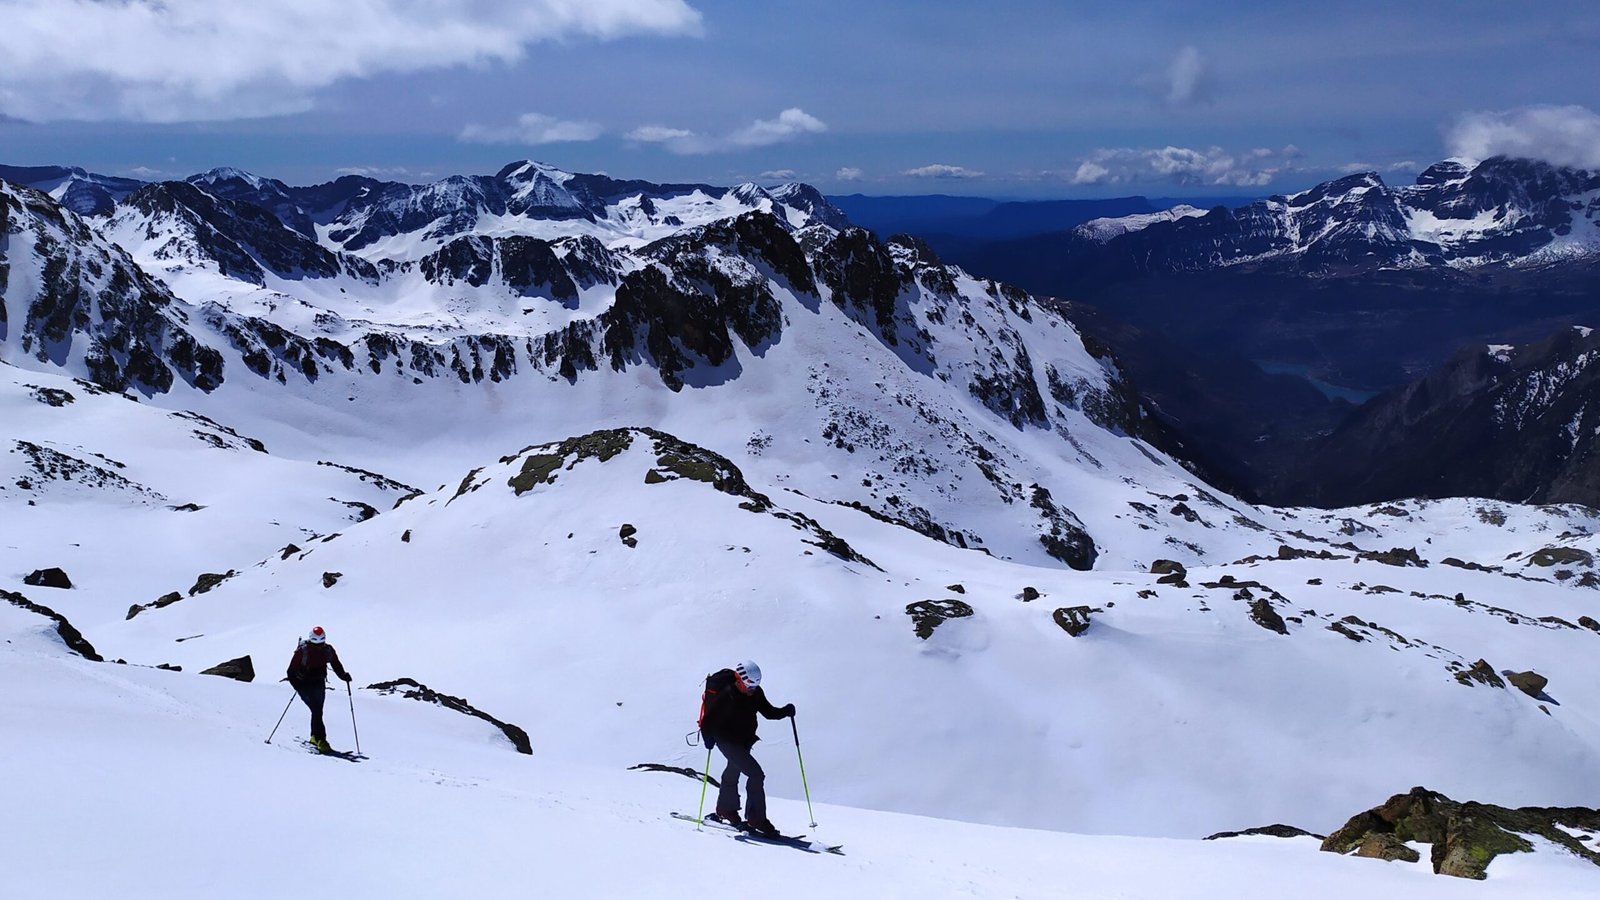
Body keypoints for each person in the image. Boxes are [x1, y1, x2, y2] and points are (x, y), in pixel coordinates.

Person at [699, 660, 794, 837]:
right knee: (756, 774)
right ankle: (756, 818)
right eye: (749, 685)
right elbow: (709, 720)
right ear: (739, 679)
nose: (752, 689)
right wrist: (707, 738)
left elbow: (769, 712)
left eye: (755, 685)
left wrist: (785, 711)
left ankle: (725, 810)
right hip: (726, 740)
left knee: (732, 772)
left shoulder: (756, 693)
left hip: (744, 741)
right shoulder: (728, 695)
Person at [286, 625, 352, 752]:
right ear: (311, 641)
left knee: (318, 710)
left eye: (321, 643)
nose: (319, 646)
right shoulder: (303, 651)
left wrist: (343, 676)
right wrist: (297, 686)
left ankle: (314, 737)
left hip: (318, 682)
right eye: (316, 644)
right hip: (303, 684)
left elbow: (336, 664)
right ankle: (322, 740)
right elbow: (290, 671)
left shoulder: (327, 650)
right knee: (316, 709)